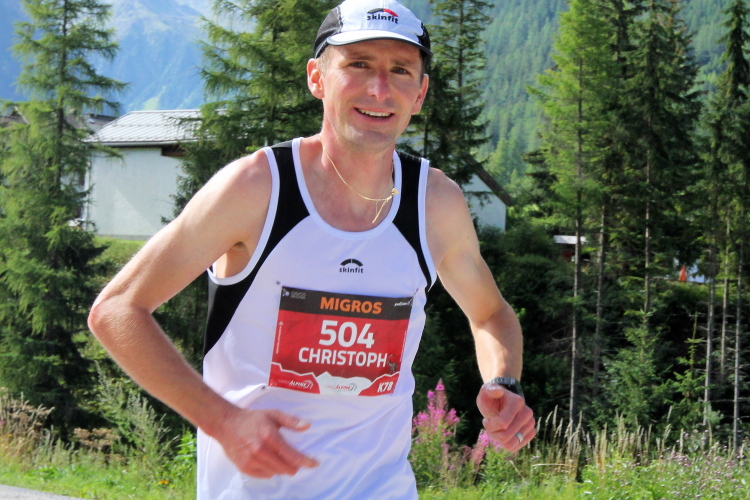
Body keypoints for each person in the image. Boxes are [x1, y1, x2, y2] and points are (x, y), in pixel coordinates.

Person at [87, 0, 536, 498]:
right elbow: (117, 310)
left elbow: (491, 314)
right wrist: (221, 419)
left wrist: (504, 383)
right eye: (358, 64)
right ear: (317, 78)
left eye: (400, 70)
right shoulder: (258, 188)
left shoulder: (434, 202)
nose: (379, 89)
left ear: (420, 92)